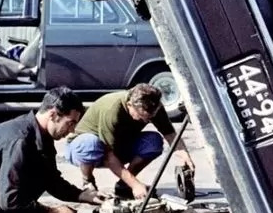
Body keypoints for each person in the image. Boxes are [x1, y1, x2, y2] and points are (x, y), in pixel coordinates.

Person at [64, 83, 195, 200]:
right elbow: (108, 156)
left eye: (150, 118)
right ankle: (88, 182)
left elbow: (170, 134)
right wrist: (136, 184)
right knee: (91, 143)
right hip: (83, 150)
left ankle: (123, 186)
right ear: (129, 105)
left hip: (119, 144)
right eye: (142, 118)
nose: (146, 121)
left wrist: (185, 157)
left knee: (154, 141)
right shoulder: (112, 110)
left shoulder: (154, 107)